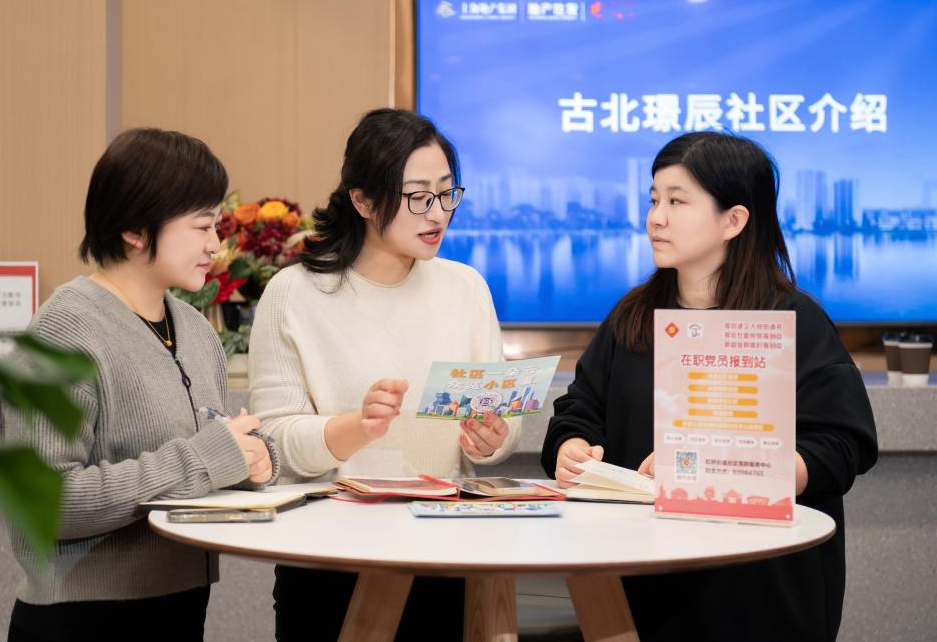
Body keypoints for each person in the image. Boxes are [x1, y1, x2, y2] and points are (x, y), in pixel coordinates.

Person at [542, 131, 878, 642]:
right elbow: (579, 409)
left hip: (761, 587)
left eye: (677, 201)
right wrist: (570, 447)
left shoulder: (792, 320)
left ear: (733, 221)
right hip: (643, 580)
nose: (656, 217)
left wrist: (719, 469)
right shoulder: (633, 316)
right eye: (654, 199)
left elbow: (840, 446)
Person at [248, 108, 521, 640]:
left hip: (443, 551)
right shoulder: (295, 293)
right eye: (418, 197)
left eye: (447, 193)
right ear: (364, 200)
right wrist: (355, 427)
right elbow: (274, 441)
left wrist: (493, 438)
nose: (437, 213)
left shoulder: (465, 288)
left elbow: (499, 424)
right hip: (329, 557)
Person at [1, 128, 277, 642]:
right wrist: (206, 459)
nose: (215, 245)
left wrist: (251, 460)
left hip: (181, 605)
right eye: (201, 226)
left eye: (216, 226)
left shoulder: (195, 329)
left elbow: (204, 454)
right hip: (82, 619)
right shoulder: (63, 332)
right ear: (134, 228)